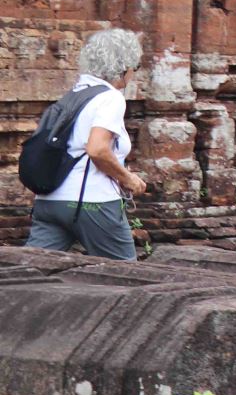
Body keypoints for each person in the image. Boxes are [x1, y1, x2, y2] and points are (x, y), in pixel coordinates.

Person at [25, 28, 146, 260]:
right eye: (135, 67)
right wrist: (128, 179)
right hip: (91, 204)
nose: (133, 73)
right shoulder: (110, 98)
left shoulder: (74, 94)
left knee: (29, 270)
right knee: (127, 275)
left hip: (49, 202)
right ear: (123, 66)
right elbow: (97, 149)